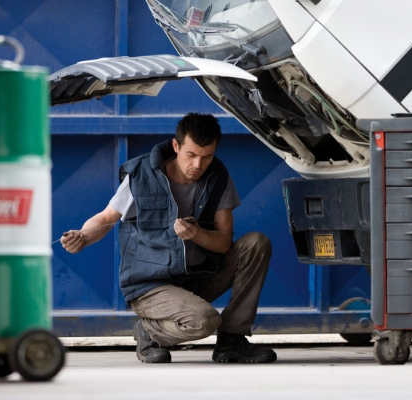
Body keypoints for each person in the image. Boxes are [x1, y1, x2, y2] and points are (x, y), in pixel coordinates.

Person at [60, 112, 276, 364]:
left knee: (256, 244)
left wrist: (196, 234)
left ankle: (232, 341)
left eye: (207, 157)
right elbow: (105, 218)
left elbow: (224, 242)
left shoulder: (218, 177)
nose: (198, 165)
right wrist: (83, 236)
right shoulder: (141, 174)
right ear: (176, 146)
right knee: (204, 321)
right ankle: (148, 331)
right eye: (191, 155)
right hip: (150, 286)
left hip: (198, 278)